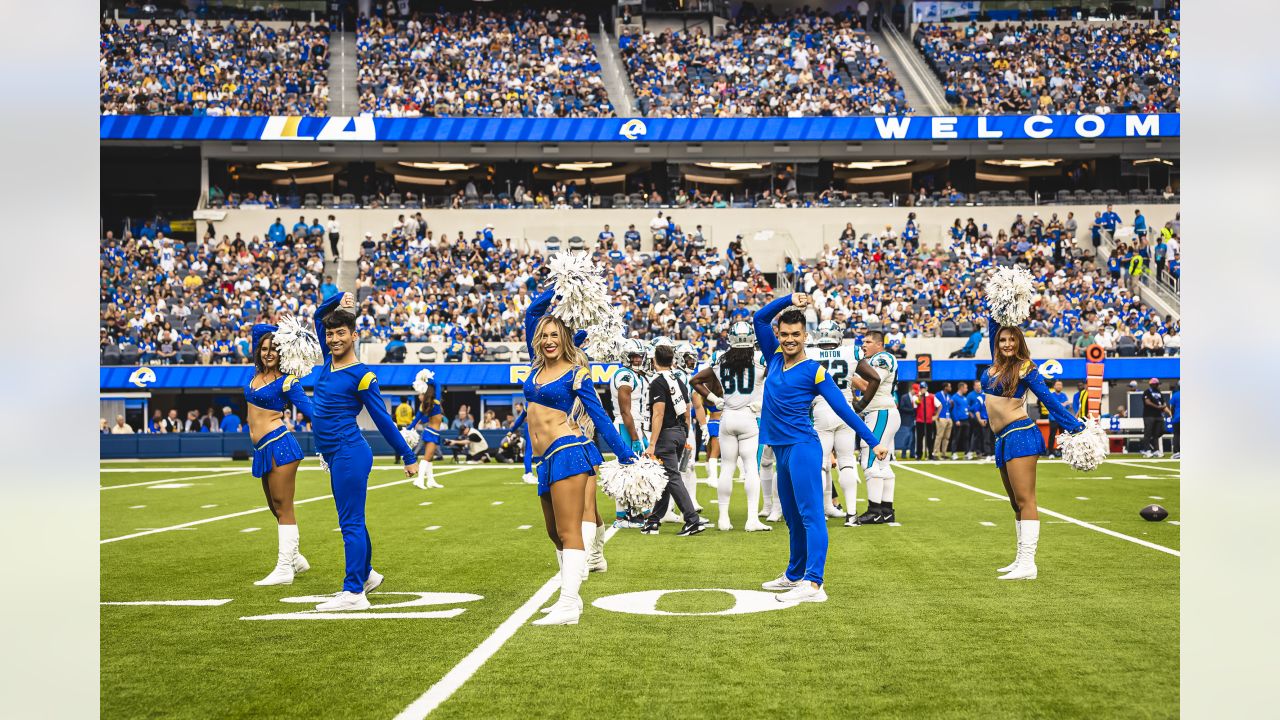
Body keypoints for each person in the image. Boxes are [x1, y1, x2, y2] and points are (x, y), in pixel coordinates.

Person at [754, 293, 888, 604]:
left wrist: (872, 440)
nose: (789, 340)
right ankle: (794, 574)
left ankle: (814, 583)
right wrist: (789, 299)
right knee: (790, 515)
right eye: (784, 334)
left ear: (806, 337)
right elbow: (760, 318)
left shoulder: (814, 370)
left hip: (803, 447)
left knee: (811, 514)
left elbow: (843, 408)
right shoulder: (773, 358)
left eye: (795, 335)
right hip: (781, 448)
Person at [522, 284, 637, 626]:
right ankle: (566, 597)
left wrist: (626, 456)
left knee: (570, 530)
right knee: (554, 533)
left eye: (555, 335)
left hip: (568, 450)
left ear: (567, 338)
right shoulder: (535, 366)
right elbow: (532, 313)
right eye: (544, 335)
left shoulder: (577, 372)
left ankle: (570, 602)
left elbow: (600, 417)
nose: (548, 340)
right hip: (544, 460)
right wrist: (559, 287)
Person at [311, 291, 419, 611]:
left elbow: (383, 421)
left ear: (354, 335)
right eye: (330, 334)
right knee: (353, 519)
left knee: (351, 522)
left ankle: (354, 592)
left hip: (349, 452)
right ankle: (367, 574)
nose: (333, 339)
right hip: (335, 455)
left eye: (341, 333)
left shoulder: (363, 375)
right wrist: (338, 298)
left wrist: (408, 456)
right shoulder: (328, 360)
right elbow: (320, 315)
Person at [982, 314, 1086, 581]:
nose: (1006, 344)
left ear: (1019, 342)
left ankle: (1029, 563)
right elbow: (993, 323)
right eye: (1003, 339)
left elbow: (1049, 400)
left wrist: (1076, 427)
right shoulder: (994, 365)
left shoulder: (1025, 367)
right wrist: (998, 303)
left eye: (1012, 340)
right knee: (1015, 503)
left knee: (1026, 500)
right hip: (1002, 438)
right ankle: (1020, 559)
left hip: (1021, 435)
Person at [243, 322, 315, 586]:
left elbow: (311, 411)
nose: (268, 353)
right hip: (262, 449)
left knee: (284, 507)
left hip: (280, 444)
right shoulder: (255, 373)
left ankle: (284, 568)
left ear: (283, 352)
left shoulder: (288, 382)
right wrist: (282, 334)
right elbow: (257, 329)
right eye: (264, 348)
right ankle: (295, 559)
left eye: (274, 349)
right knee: (274, 507)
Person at [690, 321, 770, 532]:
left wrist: (715, 398)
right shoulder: (761, 359)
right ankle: (752, 518)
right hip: (748, 416)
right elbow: (778, 381)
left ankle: (724, 519)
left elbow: (695, 380)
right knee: (751, 466)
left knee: (727, 467)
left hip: (727, 416)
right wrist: (763, 401)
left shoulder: (719, 358)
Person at [641, 343, 707, 537]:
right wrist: (685, 434)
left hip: (667, 434)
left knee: (671, 477)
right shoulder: (677, 379)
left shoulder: (658, 382)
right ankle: (653, 520)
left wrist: (652, 444)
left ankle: (692, 520)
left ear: (654, 361)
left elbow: (658, 413)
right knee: (665, 477)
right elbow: (687, 409)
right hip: (679, 432)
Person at [806, 320, 864, 520]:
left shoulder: (809, 353)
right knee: (847, 462)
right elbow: (872, 378)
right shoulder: (851, 352)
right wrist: (861, 405)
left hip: (822, 409)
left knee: (820, 463)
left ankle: (818, 511)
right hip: (846, 408)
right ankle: (852, 514)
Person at [847, 330, 901, 525]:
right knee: (882, 463)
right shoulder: (876, 358)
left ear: (880, 344)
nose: (864, 345)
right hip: (883, 413)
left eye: (868, 341)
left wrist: (846, 372)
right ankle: (886, 510)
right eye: (863, 341)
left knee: (869, 457)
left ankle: (874, 510)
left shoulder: (883, 357)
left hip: (881, 413)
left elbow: (869, 384)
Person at [608, 339, 651, 528]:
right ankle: (622, 516)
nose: (638, 359)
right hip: (626, 425)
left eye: (640, 356)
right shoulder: (624, 375)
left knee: (636, 470)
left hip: (634, 424)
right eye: (634, 356)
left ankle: (635, 511)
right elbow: (626, 411)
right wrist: (634, 437)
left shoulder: (636, 375)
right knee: (626, 470)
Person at [409, 373, 446, 489]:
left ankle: (430, 480)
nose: (419, 396)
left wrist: (409, 428)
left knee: (429, 458)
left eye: (421, 394)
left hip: (431, 432)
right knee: (426, 457)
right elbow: (438, 384)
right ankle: (419, 480)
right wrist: (429, 379)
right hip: (431, 433)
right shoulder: (435, 402)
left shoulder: (426, 405)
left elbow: (415, 421)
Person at [1042, 379, 1071, 457]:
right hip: (1053, 418)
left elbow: (1067, 406)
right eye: (1057, 385)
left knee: (1063, 436)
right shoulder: (1051, 395)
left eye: (1060, 385)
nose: (1059, 386)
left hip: (1063, 419)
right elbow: (1055, 405)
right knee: (1052, 435)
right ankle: (1050, 452)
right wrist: (1062, 404)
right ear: (1054, 386)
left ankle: (1063, 452)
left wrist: (1062, 404)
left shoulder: (1064, 395)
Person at [1142, 378, 1169, 458]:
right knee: (1148, 433)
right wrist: (1157, 407)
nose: (1158, 385)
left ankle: (1156, 450)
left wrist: (1167, 410)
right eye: (1156, 384)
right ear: (1152, 384)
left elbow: (1163, 403)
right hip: (1149, 415)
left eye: (1158, 384)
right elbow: (1147, 402)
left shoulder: (1159, 392)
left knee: (1158, 433)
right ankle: (1146, 450)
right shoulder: (1147, 392)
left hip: (1158, 416)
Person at [914, 383, 938, 460]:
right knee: (919, 438)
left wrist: (936, 415)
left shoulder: (932, 396)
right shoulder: (916, 396)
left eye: (924, 388)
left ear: (927, 388)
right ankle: (919, 455)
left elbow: (939, 405)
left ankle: (930, 454)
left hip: (928, 421)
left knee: (929, 439)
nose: (922, 389)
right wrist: (921, 396)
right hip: (920, 421)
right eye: (921, 388)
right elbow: (916, 404)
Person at [948, 382, 971, 461]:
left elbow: (967, 408)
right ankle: (954, 453)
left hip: (966, 420)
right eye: (966, 388)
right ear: (961, 388)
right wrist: (956, 420)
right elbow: (953, 410)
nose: (967, 389)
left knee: (966, 437)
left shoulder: (964, 398)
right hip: (958, 420)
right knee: (956, 437)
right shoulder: (954, 397)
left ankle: (967, 453)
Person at [933, 382, 953, 460]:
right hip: (941, 417)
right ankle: (935, 453)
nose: (951, 388)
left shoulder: (949, 396)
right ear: (945, 387)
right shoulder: (938, 395)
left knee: (946, 437)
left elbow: (949, 406)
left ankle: (943, 453)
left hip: (948, 417)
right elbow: (934, 404)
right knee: (939, 436)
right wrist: (936, 415)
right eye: (949, 386)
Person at [1169, 383, 1180, 460]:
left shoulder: (1176, 395)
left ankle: (1177, 452)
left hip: (1177, 418)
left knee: (1176, 434)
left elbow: (1172, 407)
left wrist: (1172, 416)